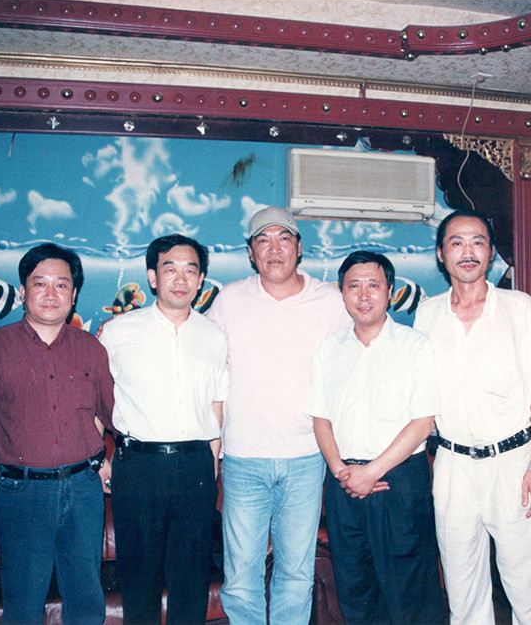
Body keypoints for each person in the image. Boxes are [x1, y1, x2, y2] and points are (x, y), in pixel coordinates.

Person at [0, 243, 114, 625]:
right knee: (24, 603)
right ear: (23, 291)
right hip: (21, 492)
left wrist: (97, 458)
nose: (50, 294)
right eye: (39, 283)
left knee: (86, 600)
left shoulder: (92, 348)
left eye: (62, 285)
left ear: (74, 295)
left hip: (83, 490)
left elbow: (106, 413)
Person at [207, 206, 350, 625]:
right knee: (241, 575)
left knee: (296, 573)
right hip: (242, 458)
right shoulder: (230, 299)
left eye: (283, 238)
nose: (274, 249)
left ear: (299, 248)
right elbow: (200, 359)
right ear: (251, 253)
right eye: (263, 240)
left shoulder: (330, 301)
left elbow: (359, 360)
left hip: (307, 457)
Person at [414, 210, 531, 625]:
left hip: (513, 463)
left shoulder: (517, 307)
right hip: (452, 466)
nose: (468, 251)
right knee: (463, 592)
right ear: (441, 254)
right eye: (456, 242)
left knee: (527, 590)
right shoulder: (428, 314)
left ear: (491, 253)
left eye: (478, 242)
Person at [306, 250, 445, 625]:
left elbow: (423, 421)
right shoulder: (329, 348)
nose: (364, 295)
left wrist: (371, 472)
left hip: (398, 481)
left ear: (390, 291)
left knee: (409, 593)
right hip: (344, 483)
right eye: (354, 286)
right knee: (355, 590)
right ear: (342, 292)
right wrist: (341, 470)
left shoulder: (415, 345)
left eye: (373, 285)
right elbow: (321, 417)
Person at [98, 234, 228, 625]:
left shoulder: (214, 336)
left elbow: (216, 402)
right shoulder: (118, 332)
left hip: (195, 465)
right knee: (139, 578)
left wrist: (213, 460)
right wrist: (98, 457)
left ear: (201, 280)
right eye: (170, 268)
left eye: (191, 270)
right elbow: (95, 399)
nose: (181, 279)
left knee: (191, 578)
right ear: (153, 277)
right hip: (138, 465)